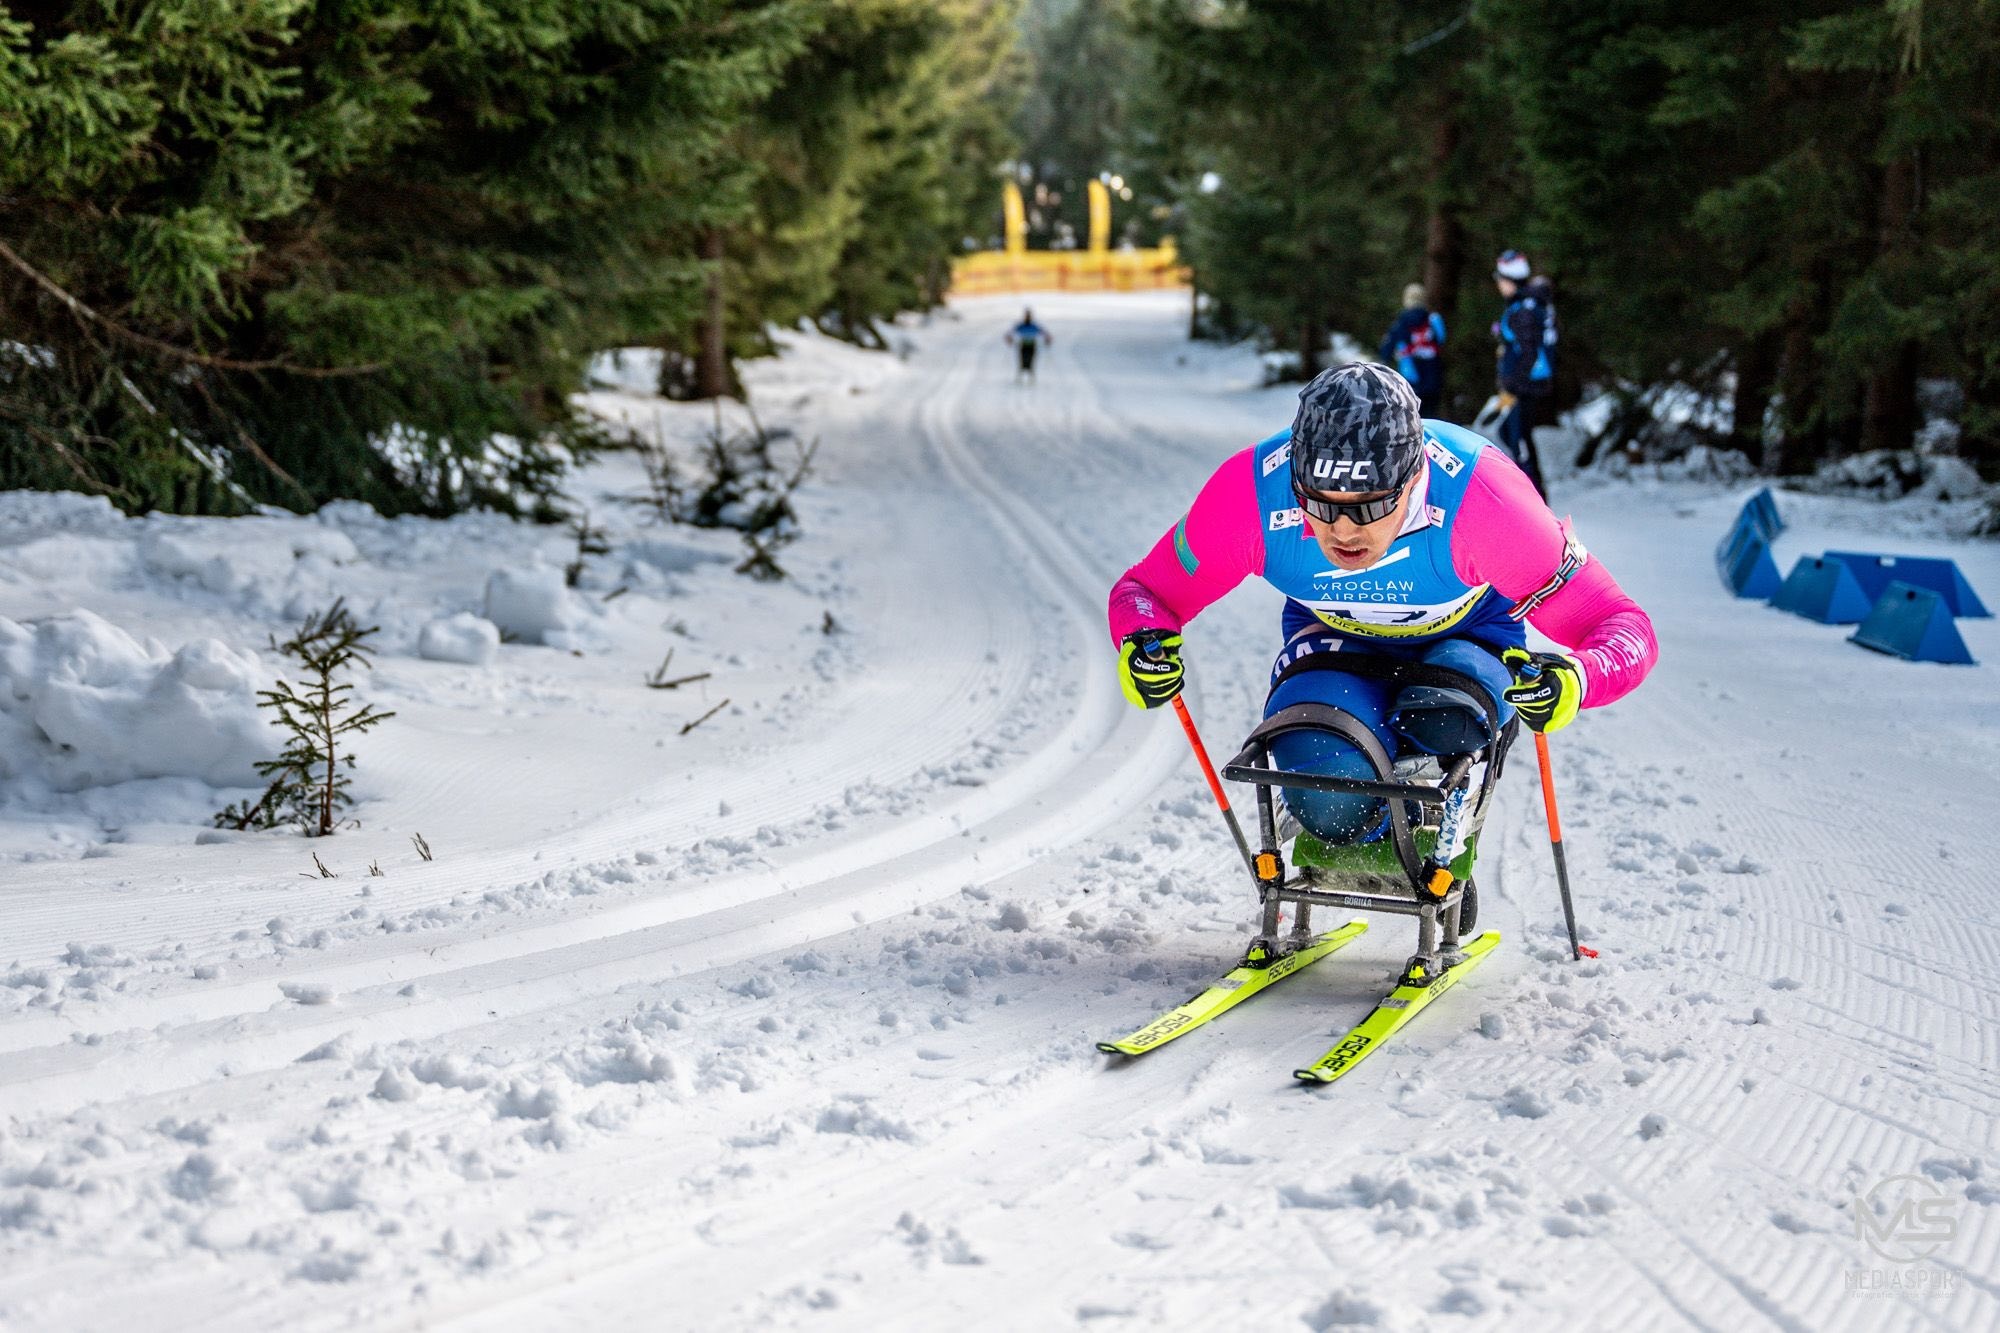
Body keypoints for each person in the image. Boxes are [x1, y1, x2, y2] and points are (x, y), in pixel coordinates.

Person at [1107, 362, 1655, 876]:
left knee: (1448, 718)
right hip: (1335, 637)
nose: (1343, 531)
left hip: (1469, 633)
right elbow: (1147, 591)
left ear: (1414, 480)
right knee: (1319, 780)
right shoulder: (1248, 495)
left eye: (1369, 507)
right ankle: (1370, 813)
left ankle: (1436, 822)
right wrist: (1145, 643)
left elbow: (1621, 626)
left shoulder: (1484, 502)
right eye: (1319, 504)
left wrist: (1574, 680)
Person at [1491, 249, 1557, 497]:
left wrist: (1513, 384)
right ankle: (1534, 495)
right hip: (1523, 386)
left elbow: (1528, 352)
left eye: (1500, 280)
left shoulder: (1524, 310)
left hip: (1522, 388)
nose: (1498, 286)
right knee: (1512, 433)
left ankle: (1535, 499)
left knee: (1518, 439)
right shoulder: (1524, 306)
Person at [1378, 282, 1447, 418]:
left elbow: (1386, 350)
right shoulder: (1434, 320)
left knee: (1411, 418)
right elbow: (1441, 339)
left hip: (1410, 377)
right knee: (1430, 417)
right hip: (1433, 376)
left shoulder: (1400, 322)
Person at [1005, 309, 1051, 383]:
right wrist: (1009, 339)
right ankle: (1020, 376)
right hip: (1023, 345)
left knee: (1031, 360)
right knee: (1022, 360)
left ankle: (1031, 377)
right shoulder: (1021, 325)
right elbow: (1010, 333)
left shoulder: (1034, 326)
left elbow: (1045, 333)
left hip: (1032, 345)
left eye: (1029, 316)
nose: (1027, 318)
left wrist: (1047, 339)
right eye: (1026, 316)